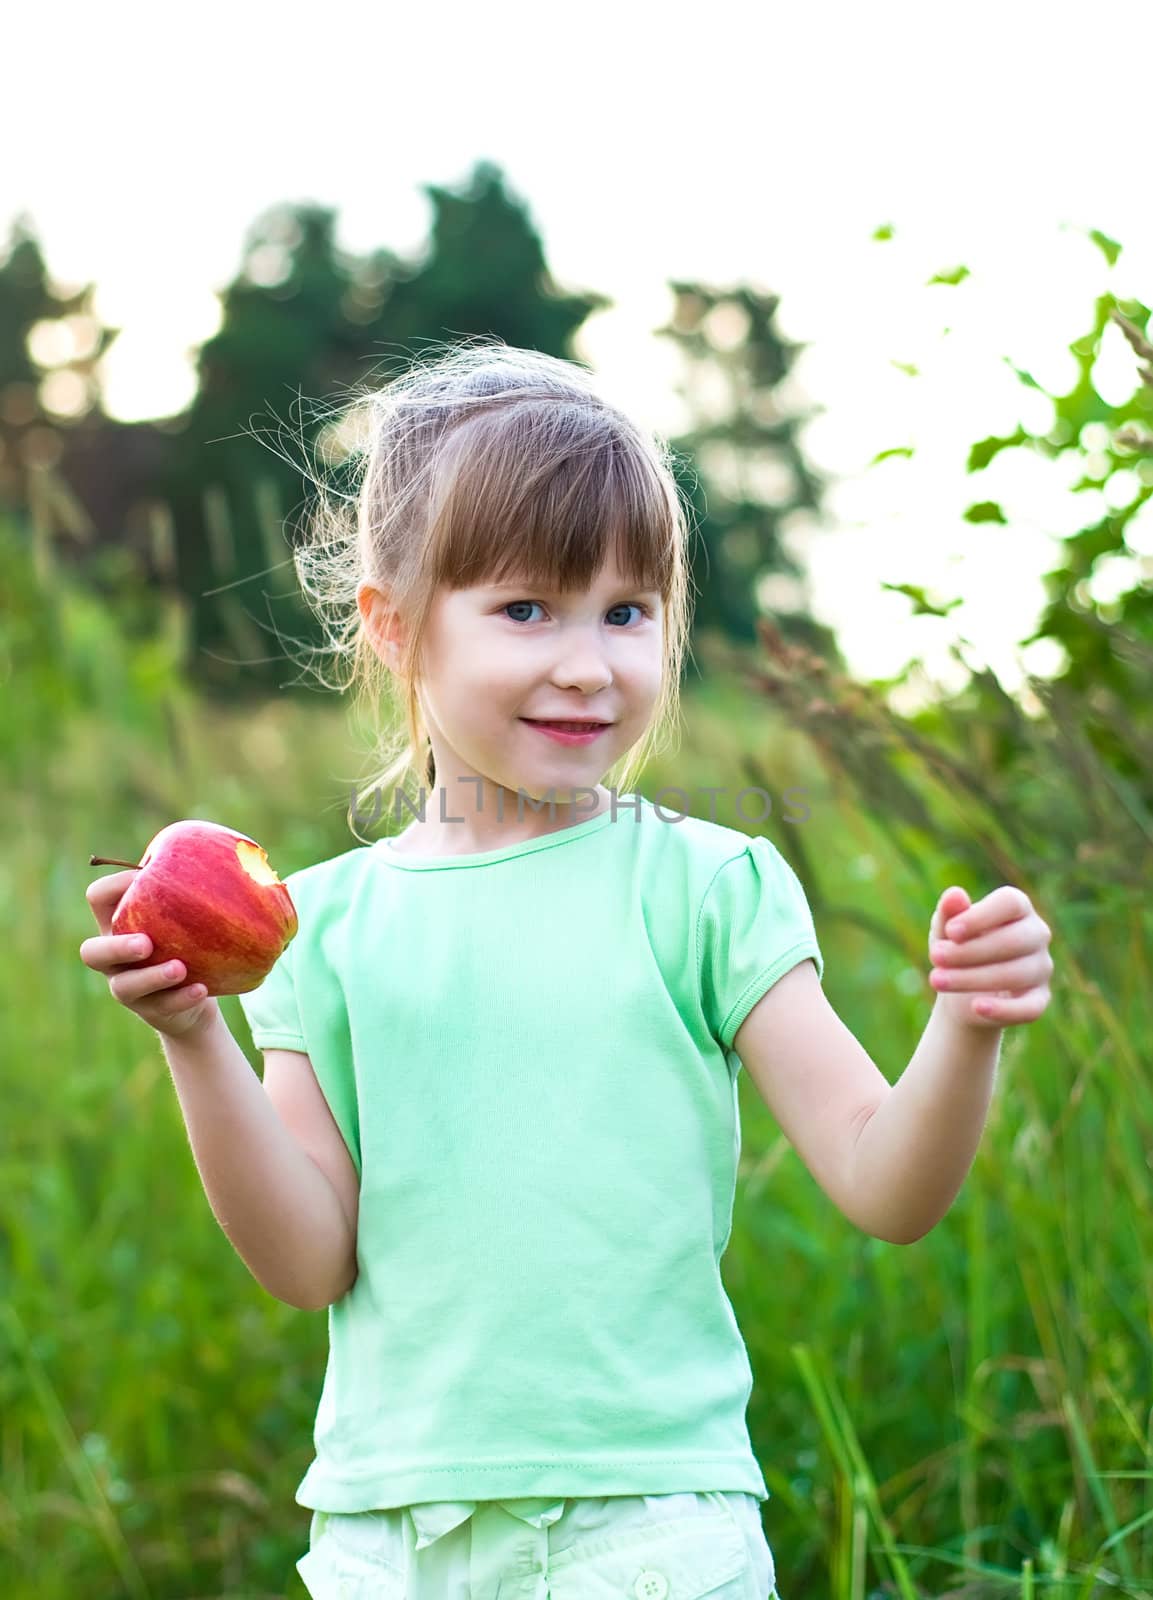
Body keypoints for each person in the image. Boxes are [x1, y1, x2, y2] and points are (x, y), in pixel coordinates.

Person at [80, 340, 1054, 1599]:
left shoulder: (705, 887)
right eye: (527, 609)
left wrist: (965, 1025)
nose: (589, 663)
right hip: (393, 1538)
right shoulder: (315, 928)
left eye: (627, 611)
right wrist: (195, 1038)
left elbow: (885, 1184)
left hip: (656, 1531)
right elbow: (305, 1262)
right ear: (395, 627)